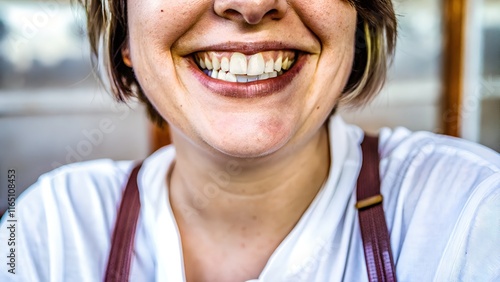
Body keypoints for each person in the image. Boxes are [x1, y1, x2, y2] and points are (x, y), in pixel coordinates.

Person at [1, 0, 499, 281]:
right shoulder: (48, 232)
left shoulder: (474, 215)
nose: (252, 4)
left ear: (359, 19)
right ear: (126, 33)